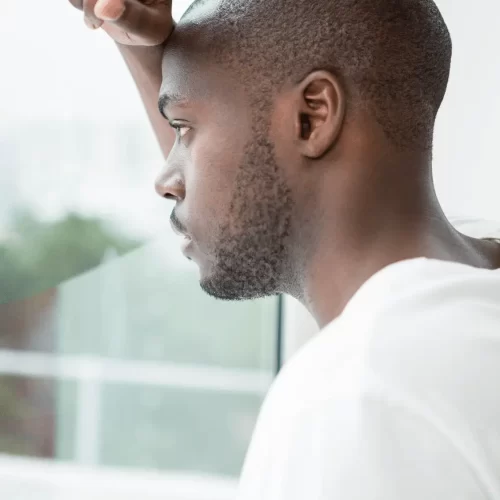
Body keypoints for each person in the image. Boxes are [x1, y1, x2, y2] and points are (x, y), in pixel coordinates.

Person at [69, 0, 500, 498]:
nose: (166, 181)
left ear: (313, 116)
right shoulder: (470, 284)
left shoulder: (361, 397)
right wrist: (148, 59)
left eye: (184, 130)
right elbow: (254, 186)